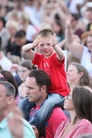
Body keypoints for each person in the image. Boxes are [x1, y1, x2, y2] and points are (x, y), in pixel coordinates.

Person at [21, 28, 69, 131]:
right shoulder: (39, 58)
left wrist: (55, 45)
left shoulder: (56, 57)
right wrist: (32, 45)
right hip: (44, 93)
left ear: (53, 43)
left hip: (59, 94)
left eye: (48, 44)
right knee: (23, 103)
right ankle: (19, 124)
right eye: (42, 45)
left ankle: (32, 128)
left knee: (48, 103)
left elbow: (61, 55)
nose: (45, 47)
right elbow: (25, 49)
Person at [19, 69, 67, 137]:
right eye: (26, 87)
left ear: (43, 89)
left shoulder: (56, 114)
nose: (26, 92)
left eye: (31, 88)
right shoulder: (26, 108)